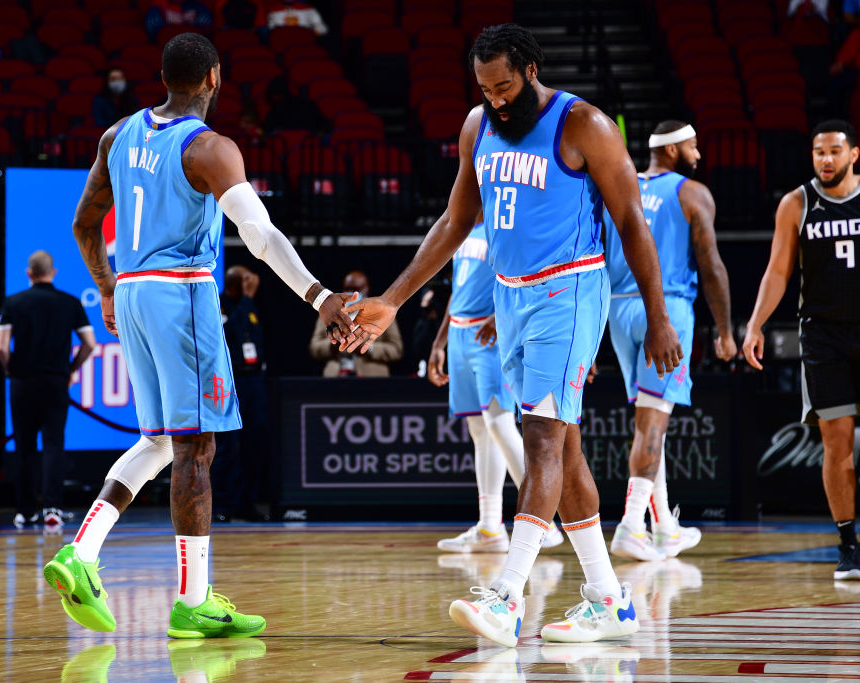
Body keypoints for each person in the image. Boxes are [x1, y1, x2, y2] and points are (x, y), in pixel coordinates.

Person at [344, 24, 682, 646]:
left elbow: (633, 223)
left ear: (529, 69)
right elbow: (455, 219)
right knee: (566, 448)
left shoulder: (585, 125)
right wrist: (392, 300)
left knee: (542, 439)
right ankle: (608, 599)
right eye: (484, 88)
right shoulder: (479, 125)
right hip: (511, 296)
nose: (495, 99)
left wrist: (658, 316)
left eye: (503, 86)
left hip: (571, 292)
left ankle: (506, 595)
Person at [43, 32, 357, 637]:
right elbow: (261, 240)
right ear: (215, 77)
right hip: (180, 291)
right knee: (196, 449)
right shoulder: (211, 148)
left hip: (133, 291)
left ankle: (79, 552)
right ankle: (193, 600)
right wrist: (320, 296)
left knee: (161, 441)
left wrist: (107, 288)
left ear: (164, 78)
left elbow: (84, 223)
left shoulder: (118, 135)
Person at [604, 121, 736, 562]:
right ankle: (630, 525)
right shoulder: (691, 193)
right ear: (675, 149)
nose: (699, 152)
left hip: (617, 308)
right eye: (693, 145)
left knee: (647, 416)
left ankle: (665, 529)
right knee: (653, 423)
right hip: (666, 310)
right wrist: (725, 330)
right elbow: (712, 265)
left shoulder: (617, 187)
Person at [743, 119, 860, 581]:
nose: (826, 160)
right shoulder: (798, 203)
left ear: (854, 154)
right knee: (836, 441)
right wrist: (755, 325)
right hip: (823, 335)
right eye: (818, 152)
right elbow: (777, 271)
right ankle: (848, 543)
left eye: (834, 151)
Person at [428, 218, 565, 552]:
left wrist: (502, 317)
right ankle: (490, 527)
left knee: (499, 423)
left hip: (491, 335)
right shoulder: (460, 228)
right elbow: (458, 291)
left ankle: (542, 520)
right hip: (460, 333)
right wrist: (439, 341)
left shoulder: (505, 225)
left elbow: (526, 278)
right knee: (480, 431)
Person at [0, 251, 96, 528]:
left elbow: (1, 346)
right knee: (54, 444)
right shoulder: (69, 302)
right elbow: (89, 343)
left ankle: (26, 510)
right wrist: (71, 369)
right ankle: (53, 508)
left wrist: (10, 370)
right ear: (53, 272)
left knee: (25, 446)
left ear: (29, 273)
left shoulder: (13, 302)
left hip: (23, 382)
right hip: (55, 381)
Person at [212, 265, 269, 522]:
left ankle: (246, 503)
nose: (251, 284)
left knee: (254, 444)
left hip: (254, 381)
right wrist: (245, 298)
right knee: (227, 447)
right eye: (245, 280)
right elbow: (228, 332)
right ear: (234, 284)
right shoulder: (220, 304)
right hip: (230, 382)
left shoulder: (251, 305)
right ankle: (221, 505)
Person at [309, 270, 403, 377]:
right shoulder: (331, 312)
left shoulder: (379, 312)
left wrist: (368, 348)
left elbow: (396, 349)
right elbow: (314, 347)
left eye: (356, 289)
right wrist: (333, 345)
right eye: (347, 289)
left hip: (372, 379)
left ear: (366, 290)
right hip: (336, 378)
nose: (351, 293)